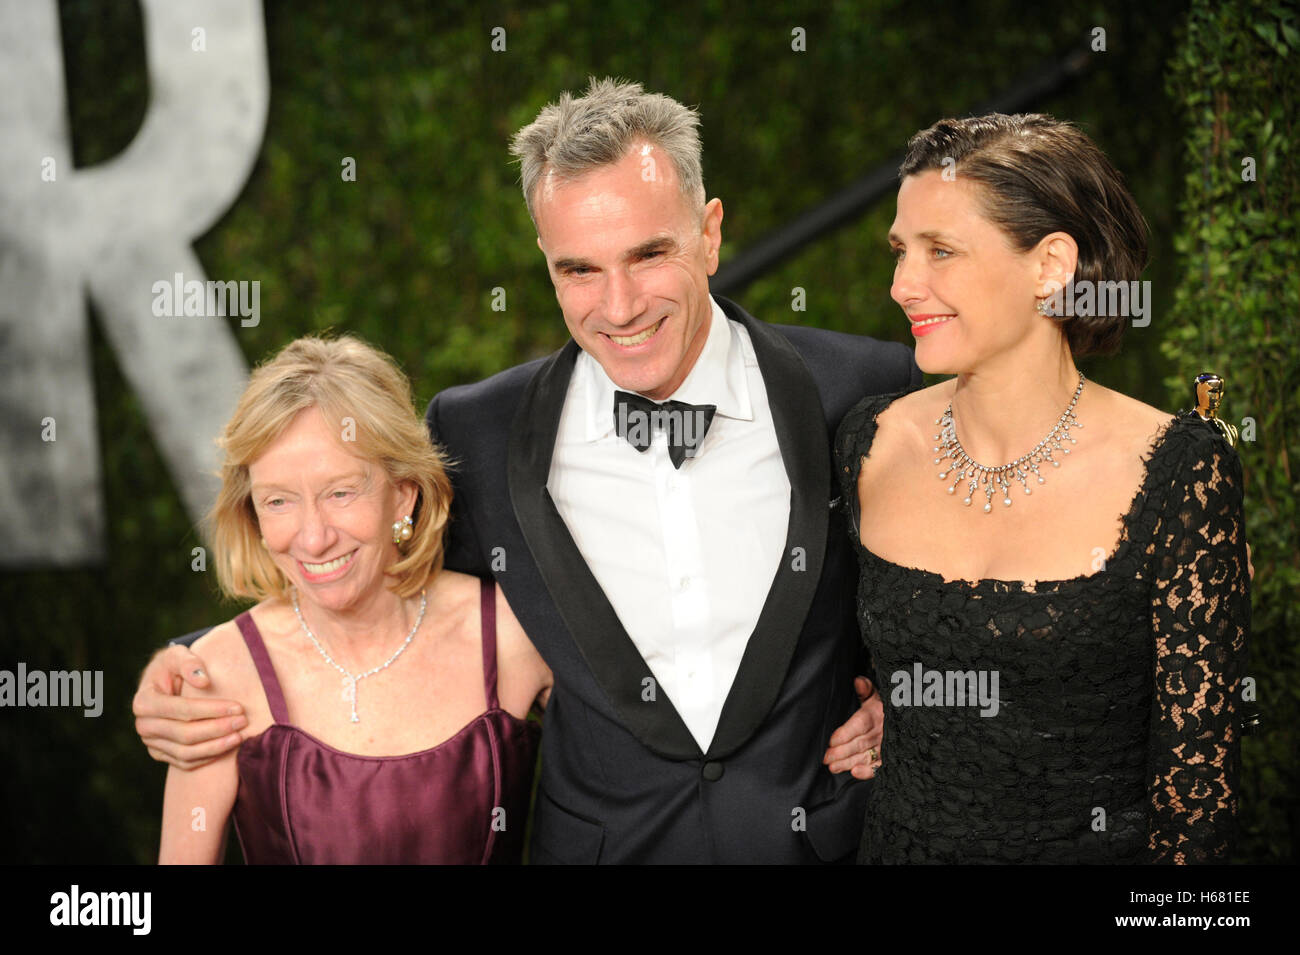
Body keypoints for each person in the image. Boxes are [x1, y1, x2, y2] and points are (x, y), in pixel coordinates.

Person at [137, 77, 919, 863]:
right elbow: (381, 593)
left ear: (709, 234)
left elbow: (991, 585)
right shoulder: (476, 431)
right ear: (545, 262)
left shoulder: (864, 393)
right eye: (579, 270)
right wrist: (196, 669)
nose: (618, 306)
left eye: (647, 255)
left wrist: (912, 701)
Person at [834, 113, 1249, 863]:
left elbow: (1197, 811)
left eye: (941, 251)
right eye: (901, 251)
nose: (902, 285)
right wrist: (864, 712)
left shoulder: (1181, 470)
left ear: (1052, 263)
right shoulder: (868, 443)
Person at [158, 335, 551, 864]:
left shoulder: (513, 631)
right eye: (278, 501)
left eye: (341, 492)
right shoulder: (215, 679)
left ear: (404, 494)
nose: (313, 537)